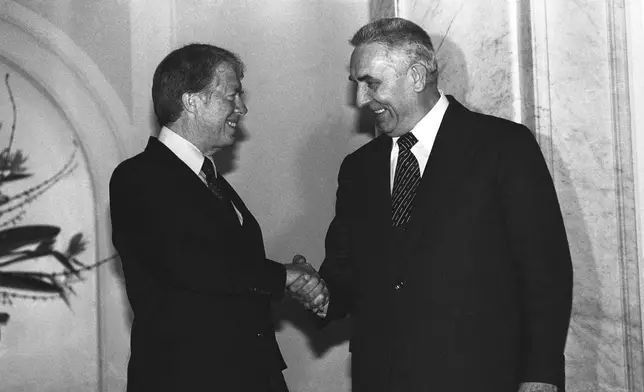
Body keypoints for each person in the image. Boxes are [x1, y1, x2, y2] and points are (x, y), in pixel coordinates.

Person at [294, 17, 573, 392]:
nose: (360, 100)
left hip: (481, 377)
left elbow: (545, 271)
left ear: (416, 76)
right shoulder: (359, 169)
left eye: (371, 83)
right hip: (382, 377)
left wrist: (540, 374)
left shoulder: (503, 147)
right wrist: (321, 292)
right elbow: (347, 269)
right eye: (356, 85)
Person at [109, 43, 326, 392]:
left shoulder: (210, 180)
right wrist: (282, 276)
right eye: (232, 95)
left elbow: (229, 268)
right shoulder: (138, 177)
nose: (242, 107)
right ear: (192, 101)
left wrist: (289, 278)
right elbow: (187, 263)